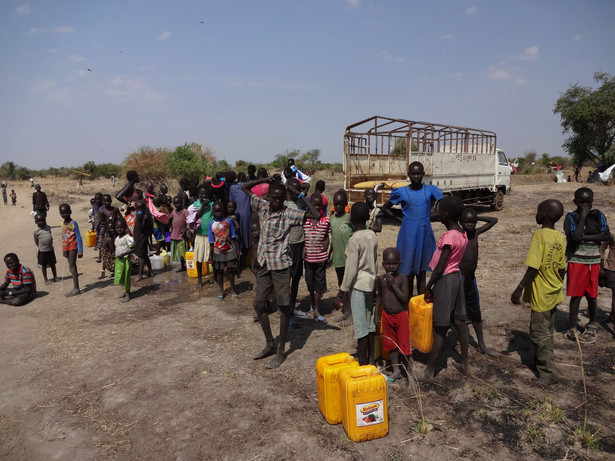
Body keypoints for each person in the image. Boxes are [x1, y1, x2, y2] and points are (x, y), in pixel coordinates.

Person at [241, 177, 320, 368]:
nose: (276, 202)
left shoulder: (290, 212)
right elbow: (244, 187)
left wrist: (297, 194)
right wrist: (266, 179)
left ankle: (281, 351)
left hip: (281, 266)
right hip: (264, 263)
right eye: (274, 198)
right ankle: (270, 343)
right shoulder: (262, 206)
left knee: (284, 307)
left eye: (280, 198)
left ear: (284, 198)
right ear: (269, 196)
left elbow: (316, 214)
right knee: (259, 305)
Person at [511, 199, 566, 387]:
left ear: (544, 214)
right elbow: (561, 268)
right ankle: (538, 362)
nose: (536, 214)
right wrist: (558, 285)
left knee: (540, 333)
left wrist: (519, 288)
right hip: (553, 290)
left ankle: (548, 373)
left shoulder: (539, 236)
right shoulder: (560, 237)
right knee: (547, 330)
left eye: (538, 211)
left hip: (542, 294)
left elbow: (533, 266)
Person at [416, 196, 469, 383]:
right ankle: (465, 364)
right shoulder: (462, 234)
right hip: (457, 278)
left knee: (440, 327)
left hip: (445, 280)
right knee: (460, 322)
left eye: (438, 210)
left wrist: (429, 286)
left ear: (444, 214)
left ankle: (429, 372)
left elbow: (440, 266)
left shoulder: (449, 237)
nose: (436, 212)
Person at [381, 161, 443, 297]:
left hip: (424, 234)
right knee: (407, 271)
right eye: (413, 174)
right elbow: (385, 208)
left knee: (422, 272)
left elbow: (444, 204)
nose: (416, 176)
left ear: (423, 174)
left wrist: (430, 217)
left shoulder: (430, 190)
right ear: (408, 174)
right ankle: (407, 303)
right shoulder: (402, 192)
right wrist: (400, 219)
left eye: (418, 173)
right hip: (408, 236)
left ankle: (420, 303)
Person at [564, 187, 610, 343]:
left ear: (592, 201)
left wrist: (582, 236)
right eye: (581, 202)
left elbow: (606, 235)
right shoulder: (571, 217)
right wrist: (582, 217)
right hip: (576, 260)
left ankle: (591, 323)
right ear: (575, 202)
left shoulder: (598, 216)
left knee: (592, 295)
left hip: (593, 261)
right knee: (576, 295)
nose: (585, 205)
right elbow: (573, 237)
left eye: (588, 202)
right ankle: (572, 327)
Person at [338, 202, 378, 366]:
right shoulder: (372, 235)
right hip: (371, 284)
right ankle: (371, 360)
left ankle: (363, 364)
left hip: (358, 288)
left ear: (351, 218)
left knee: (360, 328)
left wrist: (342, 290)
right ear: (368, 217)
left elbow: (351, 270)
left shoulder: (354, 240)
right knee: (369, 325)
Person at [374, 248, 417, 388]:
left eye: (394, 263)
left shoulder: (403, 279)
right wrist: (376, 314)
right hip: (387, 315)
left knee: (405, 346)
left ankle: (410, 375)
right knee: (391, 344)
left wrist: (393, 285)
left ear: (400, 264)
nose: (391, 266)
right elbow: (380, 296)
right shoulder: (380, 279)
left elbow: (405, 298)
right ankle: (396, 370)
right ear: (383, 264)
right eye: (387, 264)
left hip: (401, 316)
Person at [459, 208, 498, 356]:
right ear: (460, 222)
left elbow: (494, 220)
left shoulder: (476, 233)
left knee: (475, 312)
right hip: (459, 278)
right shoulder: (459, 235)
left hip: (471, 278)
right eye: (466, 222)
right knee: (456, 312)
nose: (470, 224)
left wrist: (477, 216)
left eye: (472, 222)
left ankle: (481, 344)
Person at [303, 193, 331, 324]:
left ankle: (317, 310)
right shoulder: (305, 221)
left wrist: (327, 241)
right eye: (314, 204)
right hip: (308, 259)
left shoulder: (326, 221)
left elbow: (328, 235)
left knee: (319, 285)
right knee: (310, 283)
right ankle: (311, 304)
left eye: (319, 205)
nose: (317, 207)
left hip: (321, 258)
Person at [330, 190, 354, 325]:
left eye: (341, 204)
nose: (338, 206)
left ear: (345, 204)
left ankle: (351, 313)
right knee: (341, 284)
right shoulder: (332, 218)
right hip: (338, 258)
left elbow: (359, 230)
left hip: (349, 259)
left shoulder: (350, 218)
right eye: (336, 204)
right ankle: (345, 311)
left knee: (350, 286)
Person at [209, 201, 238, 299]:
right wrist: (210, 255)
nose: (218, 213)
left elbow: (233, 236)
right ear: (213, 211)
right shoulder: (211, 224)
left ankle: (233, 289)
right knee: (220, 272)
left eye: (220, 211)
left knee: (230, 271)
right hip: (217, 251)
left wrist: (237, 250)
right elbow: (211, 242)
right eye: (216, 211)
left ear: (223, 210)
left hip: (229, 250)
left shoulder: (228, 222)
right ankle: (221, 290)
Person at [190, 184, 214, 289]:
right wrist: (203, 206)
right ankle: (200, 279)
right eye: (201, 193)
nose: (203, 195)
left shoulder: (213, 204)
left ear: (208, 194)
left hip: (210, 235)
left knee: (212, 258)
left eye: (205, 193)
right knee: (199, 258)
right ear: (198, 194)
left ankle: (214, 277)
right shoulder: (195, 205)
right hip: (199, 235)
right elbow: (195, 217)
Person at [59, 203, 83, 297]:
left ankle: (76, 288)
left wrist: (80, 250)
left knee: (72, 267)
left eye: (66, 213)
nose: (64, 215)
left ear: (70, 212)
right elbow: (64, 236)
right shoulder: (62, 223)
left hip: (73, 246)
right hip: (67, 247)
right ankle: (76, 288)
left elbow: (78, 236)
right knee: (71, 267)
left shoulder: (73, 223)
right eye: (62, 213)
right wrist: (64, 249)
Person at [33, 213, 58, 284]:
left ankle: (55, 277)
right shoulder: (36, 231)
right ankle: (46, 279)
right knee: (43, 265)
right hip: (42, 251)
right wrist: (40, 247)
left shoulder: (48, 228)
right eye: (39, 221)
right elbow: (36, 241)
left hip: (50, 249)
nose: (41, 222)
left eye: (43, 220)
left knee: (53, 264)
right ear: (36, 222)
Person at [114, 218, 134, 302]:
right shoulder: (117, 238)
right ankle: (126, 291)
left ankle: (128, 293)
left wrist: (124, 254)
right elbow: (118, 247)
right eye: (117, 227)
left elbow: (133, 249)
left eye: (121, 227)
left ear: (125, 227)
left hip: (125, 260)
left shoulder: (127, 237)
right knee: (121, 276)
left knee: (126, 277)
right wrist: (114, 253)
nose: (119, 229)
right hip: (119, 260)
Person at [133, 199, 153, 281]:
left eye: (140, 208)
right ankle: (150, 272)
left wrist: (141, 220)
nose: (139, 210)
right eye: (137, 208)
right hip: (139, 238)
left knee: (141, 257)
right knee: (144, 255)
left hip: (142, 238)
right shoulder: (140, 215)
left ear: (144, 208)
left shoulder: (144, 216)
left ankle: (140, 275)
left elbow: (141, 228)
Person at [170, 196, 189, 271]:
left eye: (178, 203)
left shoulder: (184, 211)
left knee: (184, 251)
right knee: (178, 252)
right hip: (175, 235)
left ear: (182, 203)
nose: (177, 205)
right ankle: (182, 266)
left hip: (182, 235)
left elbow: (189, 221)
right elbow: (171, 219)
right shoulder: (173, 212)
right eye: (175, 203)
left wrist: (185, 230)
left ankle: (188, 265)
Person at [599, 237, 615, 325]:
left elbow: (602, 248)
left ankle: (612, 316)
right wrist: (601, 267)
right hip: (612, 269)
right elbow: (602, 247)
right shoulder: (611, 234)